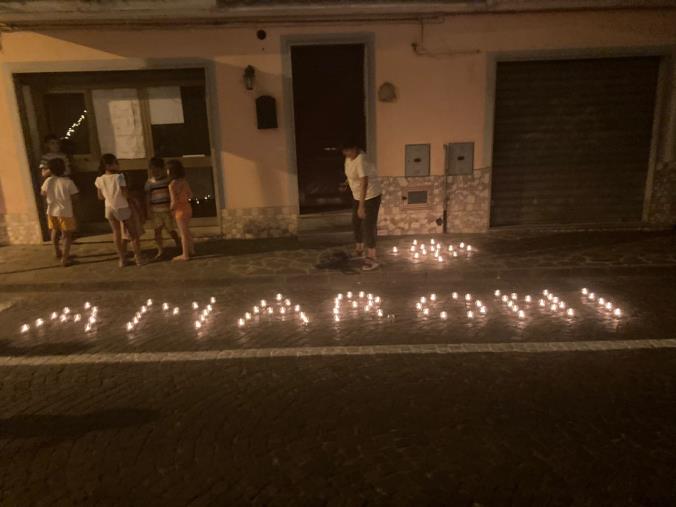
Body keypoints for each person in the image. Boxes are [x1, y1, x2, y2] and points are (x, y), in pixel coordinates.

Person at [94, 153, 144, 267]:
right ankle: (139, 259)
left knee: (116, 233)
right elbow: (125, 194)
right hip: (122, 207)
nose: (118, 164)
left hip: (109, 208)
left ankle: (122, 260)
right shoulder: (119, 177)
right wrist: (134, 198)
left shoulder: (99, 179)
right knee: (133, 234)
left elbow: (100, 197)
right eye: (115, 162)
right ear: (108, 165)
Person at [341, 138, 382, 271]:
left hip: (370, 196)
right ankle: (359, 249)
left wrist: (361, 206)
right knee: (356, 222)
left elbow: (365, 183)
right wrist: (346, 183)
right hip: (357, 196)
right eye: (344, 151)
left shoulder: (361, 160)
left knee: (368, 225)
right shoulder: (349, 158)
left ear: (355, 148)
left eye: (348, 150)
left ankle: (372, 258)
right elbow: (351, 173)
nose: (346, 153)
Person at [40, 158, 79, 267]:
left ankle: (57, 251)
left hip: (51, 211)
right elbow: (75, 197)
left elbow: (42, 193)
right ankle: (65, 259)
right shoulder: (68, 182)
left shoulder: (48, 181)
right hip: (65, 212)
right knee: (66, 236)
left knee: (55, 231)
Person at [145, 157, 180, 260]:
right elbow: (147, 197)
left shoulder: (167, 181)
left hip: (167, 210)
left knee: (170, 229)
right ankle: (160, 250)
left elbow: (172, 193)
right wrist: (148, 209)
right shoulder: (149, 183)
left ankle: (178, 242)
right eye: (152, 170)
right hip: (156, 211)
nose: (154, 172)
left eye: (157, 169)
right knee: (157, 231)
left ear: (162, 169)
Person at [167, 159, 195, 261]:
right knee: (187, 230)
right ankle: (191, 249)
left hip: (179, 210)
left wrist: (171, 210)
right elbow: (190, 195)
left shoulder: (172, 185)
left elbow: (173, 202)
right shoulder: (184, 182)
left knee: (183, 233)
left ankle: (185, 254)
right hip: (187, 208)